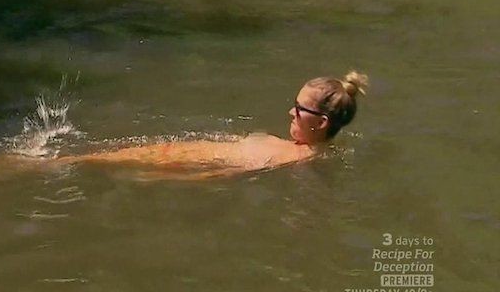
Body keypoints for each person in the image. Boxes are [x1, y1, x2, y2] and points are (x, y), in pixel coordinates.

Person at [57, 71, 369, 179]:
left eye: (299, 109)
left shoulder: (295, 157)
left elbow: (226, 173)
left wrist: (172, 177)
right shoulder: (298, 150)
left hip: (186, 159)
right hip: (185, 152)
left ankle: (51, 163)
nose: (291, 112)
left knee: (90, 159)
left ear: (321, 122)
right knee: (97, 156)